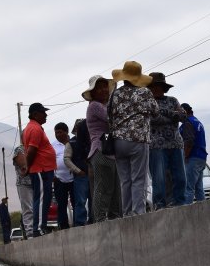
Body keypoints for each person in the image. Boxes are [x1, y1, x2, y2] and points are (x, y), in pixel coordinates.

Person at [108, 61, 157, 217]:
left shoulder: (115, 94)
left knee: (125, 180)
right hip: (138, 139)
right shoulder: (144, 92)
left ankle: (127, 213)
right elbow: (155, 111)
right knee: (138, 178)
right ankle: (138, 213)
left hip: (118, 141)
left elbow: (108, 115)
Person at [83, 74, 122, 222]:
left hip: (109, 151)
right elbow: (111, 117)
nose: (103, 90)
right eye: (99, 88)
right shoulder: (94, 106)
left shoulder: (103, 105)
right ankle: (100, 218)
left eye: (105, 86)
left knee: (114, 188)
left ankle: (114, 217)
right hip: (100, 150)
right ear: (93, 92)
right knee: (103, 187)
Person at [147, 72, 188, 209]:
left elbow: (183, 116)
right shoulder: (147, 102)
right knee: (159, 179)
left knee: (180, 177)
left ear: (164, 87)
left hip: (176, 144)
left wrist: (163, 112)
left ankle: (180, 203)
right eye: (154, 86)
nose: (156, 88)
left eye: (159, 85)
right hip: (156, 146)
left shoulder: (173, 100)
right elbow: (152, 119)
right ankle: (159, 205)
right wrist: (172, 116)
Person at [21, 102, 56, 237]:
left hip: (44, 169)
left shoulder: (34, 127)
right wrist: (27, 167)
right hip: (40, 169)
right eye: (43, 112)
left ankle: (41, 227)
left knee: (44, 198)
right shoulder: (35, 128)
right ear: (35, 114)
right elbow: (32, 150)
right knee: (41, 198)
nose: (46, 114)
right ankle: (38, 229)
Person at [179, 103, 207, 203]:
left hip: (192, 157)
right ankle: (204, 211)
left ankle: (186, 214)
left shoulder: (187, 123)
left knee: (188, 188)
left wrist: (185, 156)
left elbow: (189, 141)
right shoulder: (198, 122)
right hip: (202, 158)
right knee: (199, 188)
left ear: (184, 112)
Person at [67, 119, 91, 225]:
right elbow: (66, 159)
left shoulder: (91, 140)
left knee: (93, 199)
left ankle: (93, 220)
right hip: (81, 176)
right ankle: (81, 223)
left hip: (92, 175)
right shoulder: (71, 143)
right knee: (80, 201)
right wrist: (78, 171)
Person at [51, 122, 73, 230]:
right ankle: (63, 225)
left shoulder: (73, 142)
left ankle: (78, 222)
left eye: (60, 132)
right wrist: (53, 176)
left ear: (66, 132)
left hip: (74, 178)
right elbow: (50, 161)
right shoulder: (53, 145)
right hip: (59, 179)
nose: (58, 135)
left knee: (76, 201)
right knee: (61, 203)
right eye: (56, 133)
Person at [12, 142, 34, 237]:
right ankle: (30, 232)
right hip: (24, 184)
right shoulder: (20, 149)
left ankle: (37, 229)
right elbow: (23, 166)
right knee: (28, 208)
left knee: (37, 207)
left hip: (36, 182)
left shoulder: (36, 148)